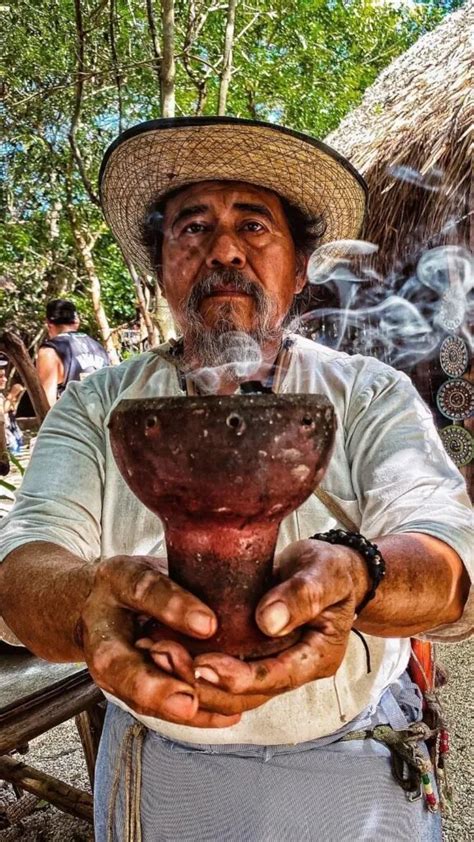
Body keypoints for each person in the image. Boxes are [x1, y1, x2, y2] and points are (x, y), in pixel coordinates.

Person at [0, 117, 472, 842]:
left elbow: (451, 553)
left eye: (254, 227)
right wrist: (90, 603)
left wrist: (360, 574)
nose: (224, 249)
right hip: (164, 770)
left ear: (301, 265)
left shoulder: (366, 393)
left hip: (354, 770)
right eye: (192, 229)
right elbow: (22, 562)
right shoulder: (99, 408)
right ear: (161, 266)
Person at [36, 298, 110, 406]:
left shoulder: (49, 352)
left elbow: (46, 403)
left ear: (48, 324)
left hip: (72, 419)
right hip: (104, 418)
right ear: (76, 322)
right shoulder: (98, 348)